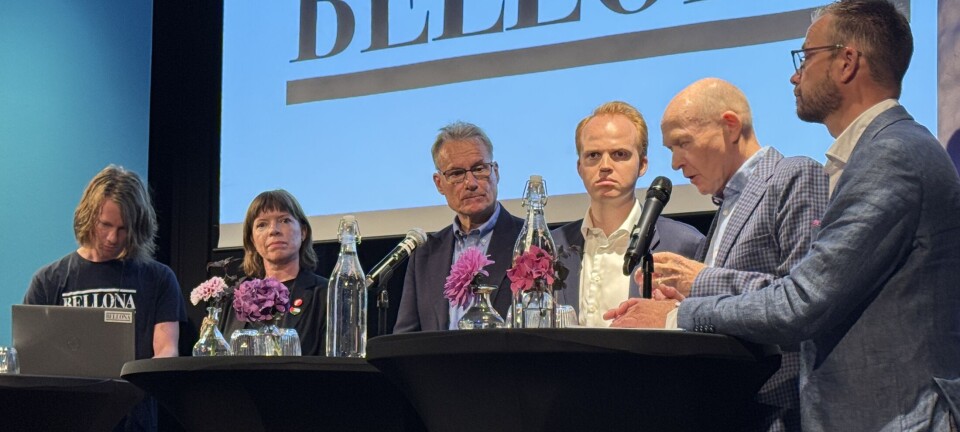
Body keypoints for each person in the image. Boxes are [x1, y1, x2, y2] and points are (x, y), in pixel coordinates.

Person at [605, 1, 960, 429]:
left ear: (847, 62)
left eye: (806, 57)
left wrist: (675, 316)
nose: (796, 75)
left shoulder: (891, 155)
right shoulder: (882, 153)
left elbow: (800, 302)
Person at [639, 78, 829, 431]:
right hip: (730, 407)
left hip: (779, 408)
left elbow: (804, 299)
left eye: (683, 143)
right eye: (670, 149)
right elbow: (730, 308)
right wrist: (678, 303)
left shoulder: (796, 175)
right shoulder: (727, 202)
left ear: (730, 126)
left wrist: (700, 281)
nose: (675, 163)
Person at [25, 164, 187, 432]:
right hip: (67, 418)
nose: (113, 238)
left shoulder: (159, 279)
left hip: (134, 421)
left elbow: (167, 351)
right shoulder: (48, 280)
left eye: (123, 229)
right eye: (106, 225)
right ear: (89, 217)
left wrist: (133, 390)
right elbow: (32, 361)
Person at [552, 101, 703, 327]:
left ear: (642, 165)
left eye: (619, 154)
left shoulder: (685, 244)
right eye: (593, 155)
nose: (605, 165)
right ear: (580, 167)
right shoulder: (552, 246)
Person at [394, 121, 524, 332]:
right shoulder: (425, 254)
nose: (471, 183)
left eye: (479, 169)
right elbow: (406, 337)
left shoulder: (528, 240)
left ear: (496, 172)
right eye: (456, 174)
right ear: (439, 183)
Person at [220, 189, 329, 356]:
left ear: (303, 232)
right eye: (262, 224)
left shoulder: (325, 294)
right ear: (252, 239)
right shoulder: (233, 301)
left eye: (284, 220)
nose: (273, 230)